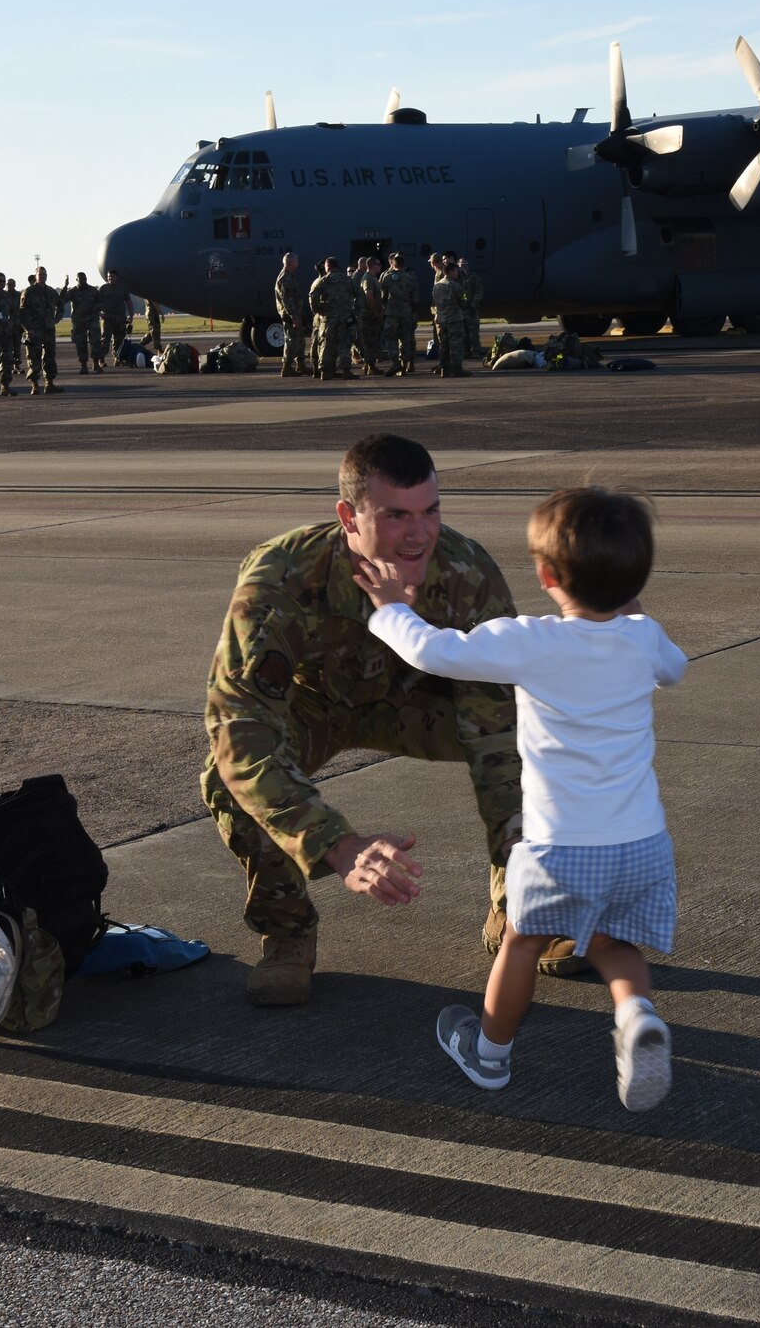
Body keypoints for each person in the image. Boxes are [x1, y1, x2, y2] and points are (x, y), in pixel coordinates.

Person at [201, 434, 585, 1007]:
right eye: (396, 515)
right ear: (348, 517)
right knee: (225, 777)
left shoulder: (465, 572)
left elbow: (497, 733)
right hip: (316, 706)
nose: (420, 533)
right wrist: (336, 843)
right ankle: (287, 933)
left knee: (539, 732)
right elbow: (241, 733)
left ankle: (519, 912)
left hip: (415, 698)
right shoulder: (280, 579)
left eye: (430, 512)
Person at [356, 487, 686, 1112]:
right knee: (614, 944)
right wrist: (636, 616)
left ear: (546, 575)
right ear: (635, 579)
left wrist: (388, 607)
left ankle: (489, 1054)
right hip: (641, 844)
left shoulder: (532, 640)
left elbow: (435, 652)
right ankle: (637, 1014)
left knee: (521, 941)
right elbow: (674, 669)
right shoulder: (644, 639)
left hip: (560, 847)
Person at [308, 256, 358, 381]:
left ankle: (325, 371)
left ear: (328, 266)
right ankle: (346, 370)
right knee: (344, 343)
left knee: (326, 343)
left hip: (328, 318)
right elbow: (357, 294)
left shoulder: (324, 281)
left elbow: (313, 295)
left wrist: (318, 310)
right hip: (344, 317)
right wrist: (350, 307)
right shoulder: (347, 280)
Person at [19, 264, 62, 394]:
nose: (42, 277)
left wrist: (56, 319)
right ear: (35, 276)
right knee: (34, 357)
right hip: (34, 330)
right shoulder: (29, 292)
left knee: (49, 357)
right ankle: (35, 384)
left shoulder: (51, 292)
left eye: (44, 275)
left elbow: (61, 306)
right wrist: (27, 328)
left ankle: (49, 383)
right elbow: (22, 312)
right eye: (40, 275)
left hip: (48, 329)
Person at [378, 252, 419, 376]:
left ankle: (395, 363)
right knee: (406, 339)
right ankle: (405, 364)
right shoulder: (411, 278)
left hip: (391, 314)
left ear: (393, 264)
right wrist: (413, 313)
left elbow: (382, 297)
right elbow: (415, 299)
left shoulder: (386, 277)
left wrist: (384, 309)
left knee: (391, 338)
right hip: (406, 313)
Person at [431, 253, 468, 377]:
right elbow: (464, 302)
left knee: (444, 345)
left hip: (442, 319)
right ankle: (457, 368)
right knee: (456, 345)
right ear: (451, 271)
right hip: (455, 319)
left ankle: (444, 369)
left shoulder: (437, 286)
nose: (457, 273)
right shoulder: (456, 286)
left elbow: (435, 303)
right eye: (456, 271)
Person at [274, 252, 308, 378]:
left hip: (295, 314)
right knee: (291, 340)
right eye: (296, 261)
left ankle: (300, 365)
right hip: (290, 315)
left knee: (299, 340)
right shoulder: (285, 279)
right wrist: (293, 316)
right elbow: (287, 299)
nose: (297, 264)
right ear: (290, 263)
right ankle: (287, 367)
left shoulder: (289, 276)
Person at [64, 272, 104, 373]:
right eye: (81, 279)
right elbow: (62, 300)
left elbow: (100, 302)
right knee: (81, 343)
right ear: (77, 280)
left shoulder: (93, 290)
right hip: (79, 320)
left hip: (92, 319)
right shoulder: (73, 291)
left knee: (96, 341)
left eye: (84, 279)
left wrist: (96, 308)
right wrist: (65, 287)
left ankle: (96, 363)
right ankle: (84, 365)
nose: (83, 281)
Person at [98, 270, 132, 365]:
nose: (110, 278)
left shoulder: (122, 288)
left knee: (119, 340)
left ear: (117, 277)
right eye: (109, 277)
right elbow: (96, 302)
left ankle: (117, 358)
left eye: (112, 276)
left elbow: (128, 302)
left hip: (120, 318)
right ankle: (101, 360)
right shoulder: (103, 288)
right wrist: (99, 314)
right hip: (107, 317)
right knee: (105, 340)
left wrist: (131, 316)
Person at [458, 256, 485, 359]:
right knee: (463, 332)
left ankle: (476, 351)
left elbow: (479, 291)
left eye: (465, 265)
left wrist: (474, 303)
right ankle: (465, 351)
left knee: (473, 332)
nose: (463, 267)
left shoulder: (474, 278)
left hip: (472, 309)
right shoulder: (457, 279)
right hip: (462, 309)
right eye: (461, 265)